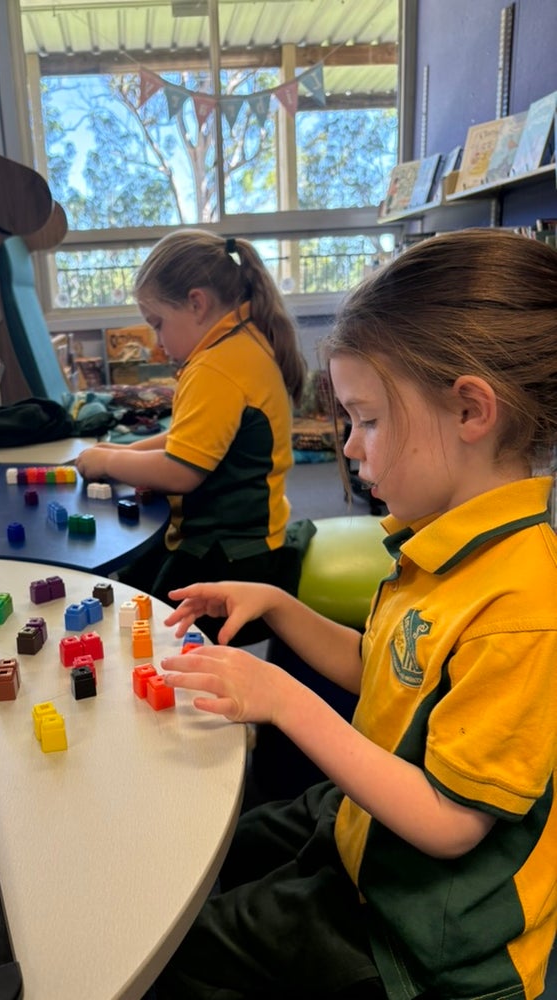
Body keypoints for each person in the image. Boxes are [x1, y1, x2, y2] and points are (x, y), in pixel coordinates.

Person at [151, 228, 557, 1000]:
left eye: (367, 419)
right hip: (364, 831)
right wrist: (280, 607)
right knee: (207, 848)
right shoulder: (445, 545)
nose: (349, 446)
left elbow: (449, 822)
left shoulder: (522, 607)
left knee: (178, 954)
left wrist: (283, 699)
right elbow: (387, 669)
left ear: (470, 409)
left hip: (421, 941)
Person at [75, 229, 308, 644]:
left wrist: (109, 461)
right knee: (137, 574)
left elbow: (181, 470)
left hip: (232, 556)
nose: (159, 342)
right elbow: (186, 438)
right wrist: (123, 450)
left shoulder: (215, 367)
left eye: (158, 325)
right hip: (251, 538)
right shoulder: (241, 342)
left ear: (197, 303)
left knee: (140, 615)